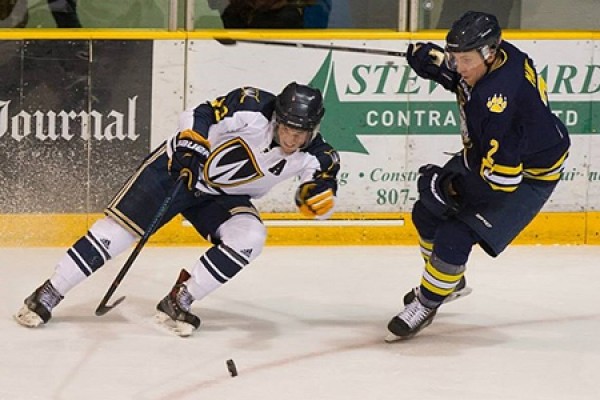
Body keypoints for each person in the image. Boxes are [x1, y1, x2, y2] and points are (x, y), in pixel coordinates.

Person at [14, 82, 341, 337]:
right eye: (287, 128)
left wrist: (317, 200)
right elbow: (202, 113)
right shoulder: (252, 106)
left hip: (220, 197)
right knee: (115, 236)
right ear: (277, 118)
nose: (292, 138)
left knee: (251, 236)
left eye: (301, 132)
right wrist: (191, 141)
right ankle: (48, 293)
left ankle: (179, 300)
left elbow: (321, 187)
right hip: (177, 169)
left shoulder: (317, 154)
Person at [386, 11, 570, 341]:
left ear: (487, 53)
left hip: (527, 174)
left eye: (464, 59)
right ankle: (448, 281)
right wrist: (440, 65)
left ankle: (427, 303)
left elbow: (501, 183)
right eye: (456, 57)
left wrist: (451, 187)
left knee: (455, 233)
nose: (460, 67)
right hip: (492, 155)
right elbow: (469, 79)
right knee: (425, 212)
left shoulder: (497, 106)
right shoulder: (505, 55)